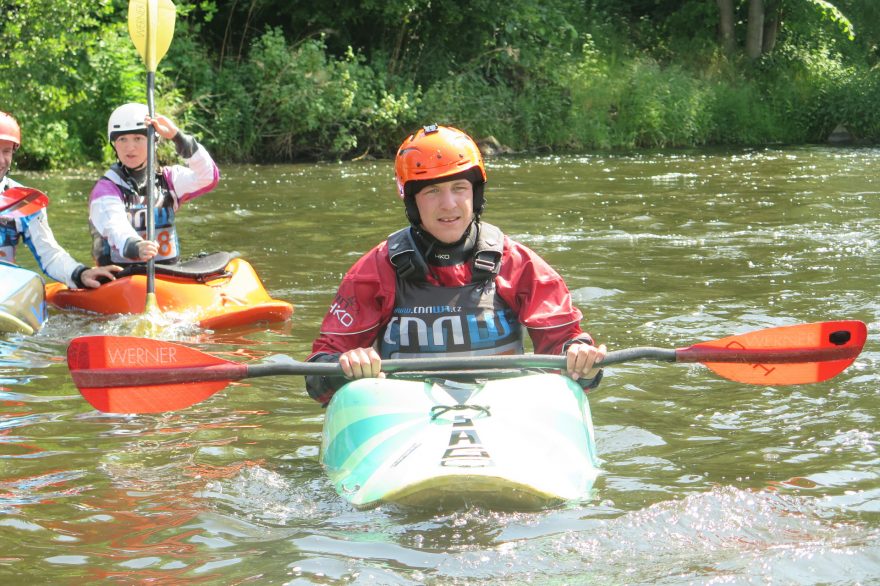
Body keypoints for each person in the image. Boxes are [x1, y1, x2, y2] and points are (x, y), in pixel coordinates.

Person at [305, 124, 606, 404]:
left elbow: (564, 346)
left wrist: (579, 357)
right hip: (404, 413)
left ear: (475, 194)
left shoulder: (518, 263)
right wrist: (347, 365)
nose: (448, 204)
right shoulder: (375, 270)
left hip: (503, 411)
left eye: (459, 188)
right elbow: (319, 372)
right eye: (432, 191)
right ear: (412, 201)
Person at [0, 111, 120, 289]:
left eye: (6, 151)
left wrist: (80, 273)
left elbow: (49, 254)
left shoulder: (25, 201)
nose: (1, 160)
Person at [89, 103, 220, 266]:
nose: (130, 147)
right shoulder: (106, 189)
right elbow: (114, 226)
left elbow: (208, 177)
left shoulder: (169, 179)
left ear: (153, 142)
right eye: (122, 139)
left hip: (169, 275)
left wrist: (179, 138)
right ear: (114, 145)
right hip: (120, 279)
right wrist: (134, 246)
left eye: (138, 138)